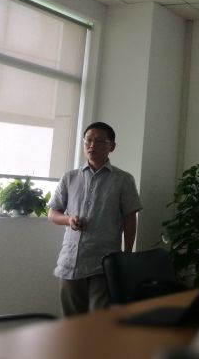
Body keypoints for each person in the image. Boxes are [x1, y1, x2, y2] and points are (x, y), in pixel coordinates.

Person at [48, 122, 142, 316]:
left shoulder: (123, 180)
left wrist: (126, 255)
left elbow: (130, 219)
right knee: (72, 324)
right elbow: (52, 213)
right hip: (70, 262)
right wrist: (68, 220)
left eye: (99, 141)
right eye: (88, 141)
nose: (92, 146)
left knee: (99, 322)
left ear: (111, 146)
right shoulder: (70, 177)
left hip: (104, 264)